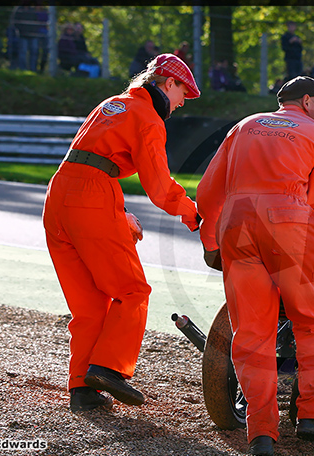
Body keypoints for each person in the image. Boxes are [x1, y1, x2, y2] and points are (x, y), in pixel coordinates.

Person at [196, 76, 314, 456]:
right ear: (305, 101)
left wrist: (211, 238)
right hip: (289, 224)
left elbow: (207, 192)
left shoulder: (244, 125)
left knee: (251, 332)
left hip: (236, 226)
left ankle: (261, 432)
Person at [42, 53, 201, 414]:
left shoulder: (113, 103)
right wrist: (194, 215)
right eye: (182, 94)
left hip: (60, 193)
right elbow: (159, 188)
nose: (181, 104)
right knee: (132, 291)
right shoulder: (148, 117)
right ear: (169, 82)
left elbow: (91, 161)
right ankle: (108, 369)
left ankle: (82, 389)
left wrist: (119, 212)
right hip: (92, 197)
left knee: (89, 306)